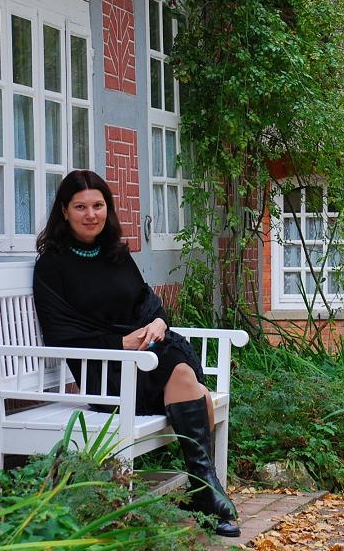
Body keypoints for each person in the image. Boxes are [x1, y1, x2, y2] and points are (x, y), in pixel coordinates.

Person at [33, 169, 239, 537]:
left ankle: (204, 491)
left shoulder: (116, 253)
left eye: (98, 205)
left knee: (180, 371)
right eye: (80, 206)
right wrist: (120, 345)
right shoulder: (52, 265)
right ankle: (206, 492)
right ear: (64, 211)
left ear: (107, 209)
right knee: (193, 388)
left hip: (143, 357)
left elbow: (147, 302)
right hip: (104, 372)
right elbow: (60, 334)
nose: (91, 214)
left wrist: (159, 323)